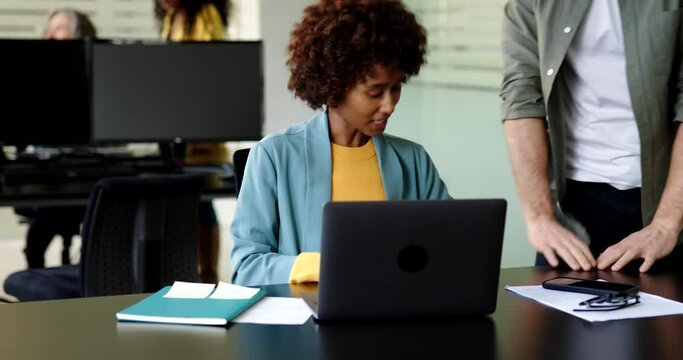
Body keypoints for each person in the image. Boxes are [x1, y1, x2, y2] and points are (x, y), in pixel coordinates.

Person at [230, 0, 450, 286]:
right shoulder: (273, 156)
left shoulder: (413, 160)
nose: (389, 105)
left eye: (395, 89)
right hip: (310, 324)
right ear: (334, 85)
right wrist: (329, 264)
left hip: (397, 315)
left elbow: (447, 248)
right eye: (375, 92)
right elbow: (247, 268)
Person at [500, 0, 683, 273]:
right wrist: (538, 217)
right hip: (571, 209)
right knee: (551, 314)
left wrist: (667, 223)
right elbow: (521, 95)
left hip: (668, 202)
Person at [155, 0, 232, 284]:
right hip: (177, 129)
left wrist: (202, 129)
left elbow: (206, 70)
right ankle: (183, 276)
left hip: (200, 131)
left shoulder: (203, 14)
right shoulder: (172, 16)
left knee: (202, 202)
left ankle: (208, 275)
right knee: (182, 204)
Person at [16, 8, 98, 269]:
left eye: (59, 28)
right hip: (44, 172)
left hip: (85, 173)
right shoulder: (31, 76)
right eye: (48, 29)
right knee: (39, 233)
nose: (50, 35)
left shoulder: (94, 76)